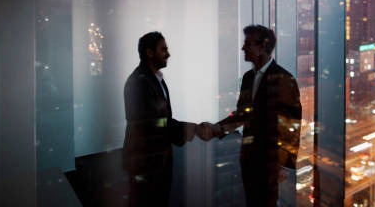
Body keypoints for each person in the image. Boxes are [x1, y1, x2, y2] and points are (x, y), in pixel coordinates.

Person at [200, 25, 302, 207]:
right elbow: (241, 114)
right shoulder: (248, 77)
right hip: (249, 158)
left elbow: (292, 124)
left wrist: (285, 165)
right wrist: (217, 129)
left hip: (269, 162)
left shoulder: (284, 79)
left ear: (262, 46)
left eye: (247, 44)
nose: (242, 48)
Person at [122, 31, 197, 207]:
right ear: (149, 52)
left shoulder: (155, 79)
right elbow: (154, 123)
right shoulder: (140, 82)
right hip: (145, 164)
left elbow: (162, 120)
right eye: (163, 50)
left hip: (155, 162)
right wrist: (193, 129)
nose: (168, 54)